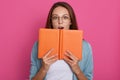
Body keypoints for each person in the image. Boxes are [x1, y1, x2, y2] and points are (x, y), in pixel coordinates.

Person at [30, 1, 93, 80]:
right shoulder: (38, 46)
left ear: (71, 21)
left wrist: (77, 70)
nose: (60, 22)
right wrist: (43, 69)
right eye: (55, 17)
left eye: (65, 17)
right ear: (51, 21)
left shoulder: (85, 47)